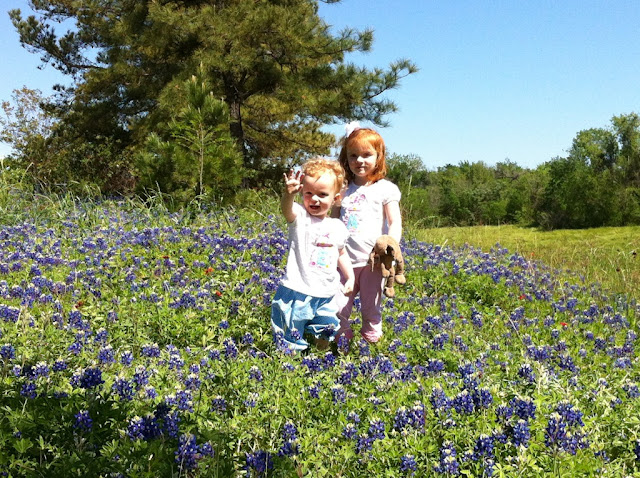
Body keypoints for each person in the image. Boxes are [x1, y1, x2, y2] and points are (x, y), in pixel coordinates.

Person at [271, 158, 355, 352]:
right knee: (290, 332)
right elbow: (287, 210)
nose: (314, 199)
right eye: (308, 193)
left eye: (322, 194)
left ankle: (320, 355)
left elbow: (341, 253)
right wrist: (288, 195)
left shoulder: (337, 226)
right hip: (297, 289)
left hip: (326, 293)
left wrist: (350, 277)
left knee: (327, 327)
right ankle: (290, 360)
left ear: (335, 199)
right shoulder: (300, 217)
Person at [333, 123, 402, 344]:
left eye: (366, 155)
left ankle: (371, 346)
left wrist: (391, 244)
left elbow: (394, 221)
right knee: (338, 307)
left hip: (373, 262)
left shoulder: (385, 188)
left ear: (378, 156)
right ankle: (341, 343)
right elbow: (333, 221)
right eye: (353, 155)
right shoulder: (342, 188)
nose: (359, 161)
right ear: (346, 158)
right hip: (343, 260)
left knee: (371, 307)